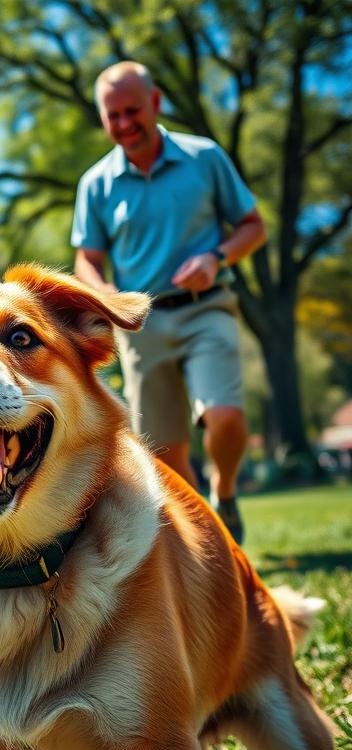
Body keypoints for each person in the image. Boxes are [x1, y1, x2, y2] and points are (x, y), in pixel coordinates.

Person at [71, 61, 267, 544]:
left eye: (132, 110)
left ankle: (225, 489)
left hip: (206, 307)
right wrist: (103, 294)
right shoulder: (96, 184)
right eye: (113, 115)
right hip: (142, 326)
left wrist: (216, 257)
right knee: (166, 459)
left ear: (155, 103)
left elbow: (253, 227)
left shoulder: (204, 158)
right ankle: (210, 543)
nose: (124, 123)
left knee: (224, 415)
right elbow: (86, 259)